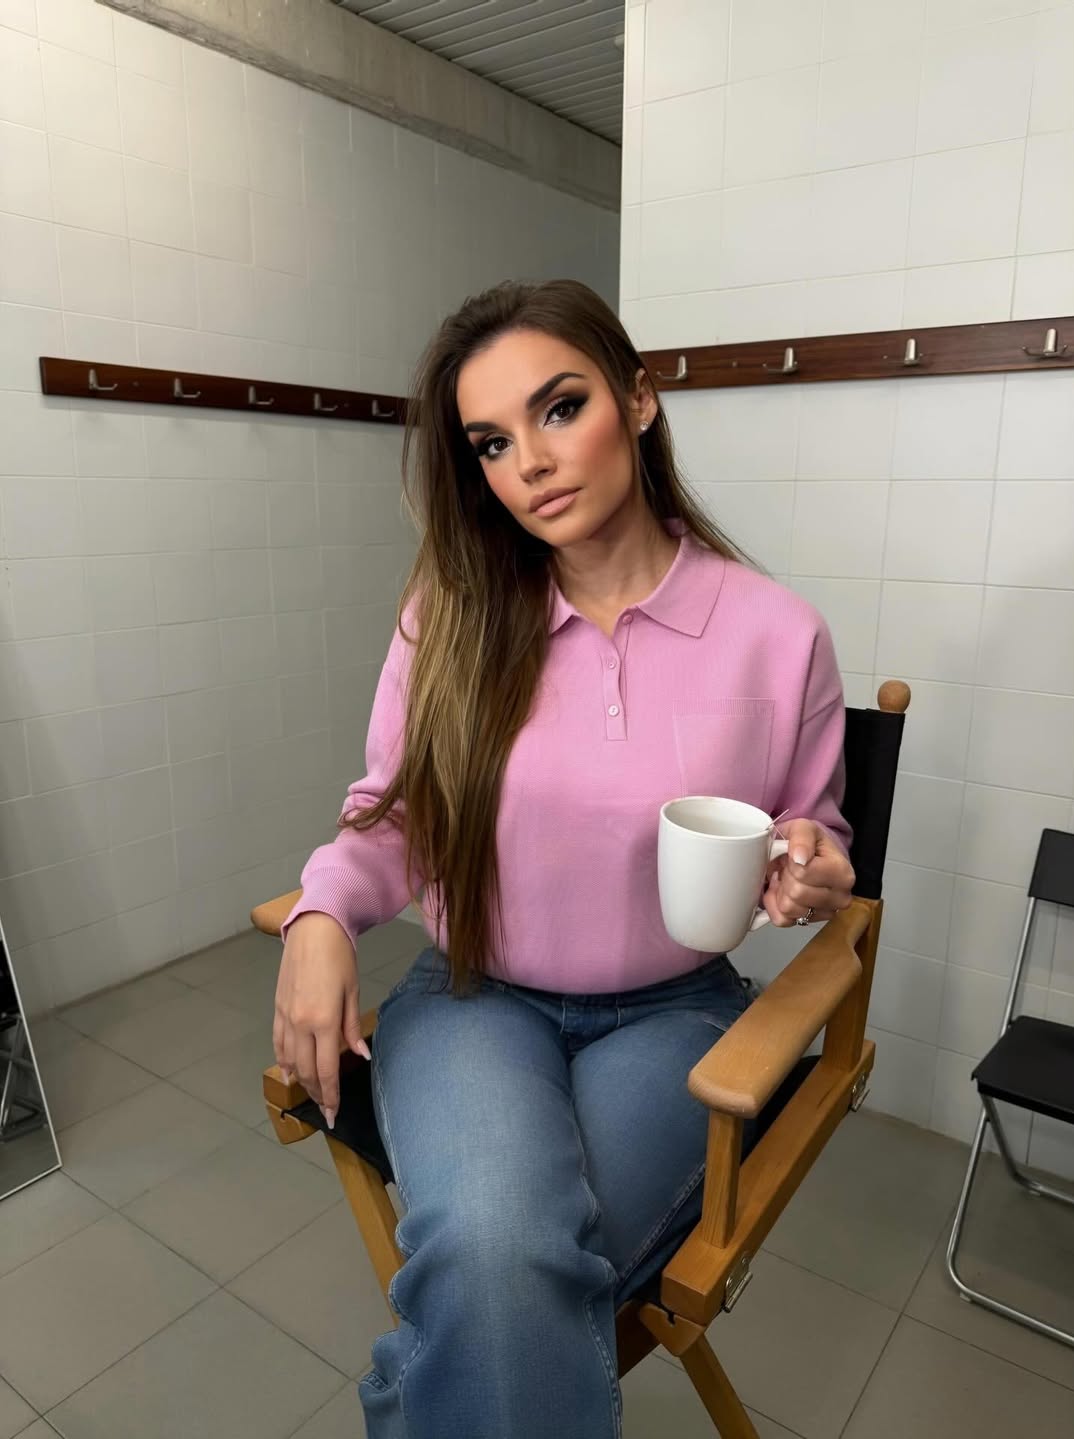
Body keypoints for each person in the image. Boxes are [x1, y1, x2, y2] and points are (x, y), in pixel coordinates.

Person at [273, 279, 856, 1438]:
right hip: (473, 997)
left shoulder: (779, 631)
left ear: (638, 399)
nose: (530, 462)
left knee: (505, 1275)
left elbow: (814, 825)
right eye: (492, 441)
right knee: (502, 1250)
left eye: (559, 407)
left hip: (679, 1014)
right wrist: (323, 912)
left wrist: (815, 863)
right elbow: (393, 812)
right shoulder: (450, 612)